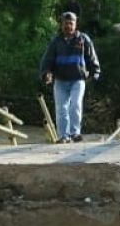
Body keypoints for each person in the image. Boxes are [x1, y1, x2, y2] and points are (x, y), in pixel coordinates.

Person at [39, 12, 101, 143]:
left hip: (77, 79)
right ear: (61, 25)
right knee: (61, 108)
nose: (68, 26)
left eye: (71, 23)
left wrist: (95, 72)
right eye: (65, 23)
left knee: (75, 105)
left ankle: (75, 133)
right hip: (60, 80)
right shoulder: (55, 42)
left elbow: (92, 57)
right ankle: (63, 136)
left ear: (75, 24)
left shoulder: (83, 39)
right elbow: (47, 60)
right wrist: (45, 73)